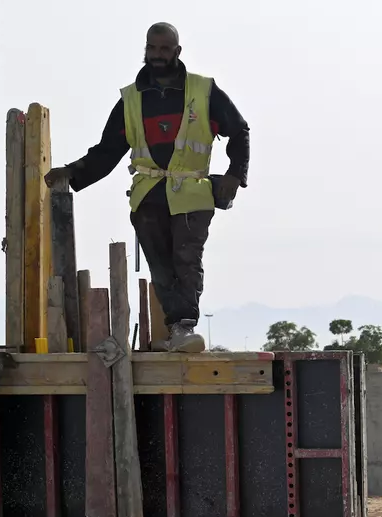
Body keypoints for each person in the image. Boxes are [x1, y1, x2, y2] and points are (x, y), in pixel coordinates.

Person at [46, 22, 249, 354]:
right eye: (151, 48)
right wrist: (70, 172)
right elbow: (107, 151)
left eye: (164, 49)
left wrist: (235, 175)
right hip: (148, 195)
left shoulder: (204, 91)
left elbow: (239, 131)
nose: (157, 55)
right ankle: (176, 330)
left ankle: (183, 326)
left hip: (193, 195)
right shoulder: (131, 100)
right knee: (160, 265)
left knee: (186, 258)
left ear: (177, 52)